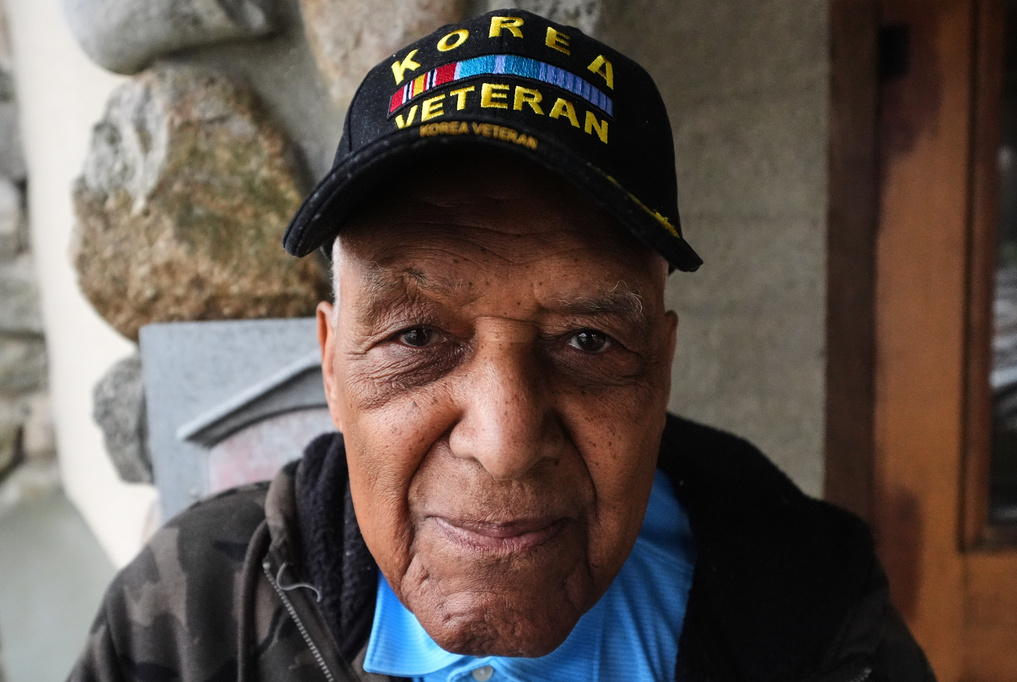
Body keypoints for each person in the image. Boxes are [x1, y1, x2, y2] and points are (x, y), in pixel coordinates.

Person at [69, 9, 936, 682]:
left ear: (660, 370)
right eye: (415, 334)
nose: (506, 437)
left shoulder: (818, 620)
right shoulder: (190, 609)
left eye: (589, 340)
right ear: (333, 365)